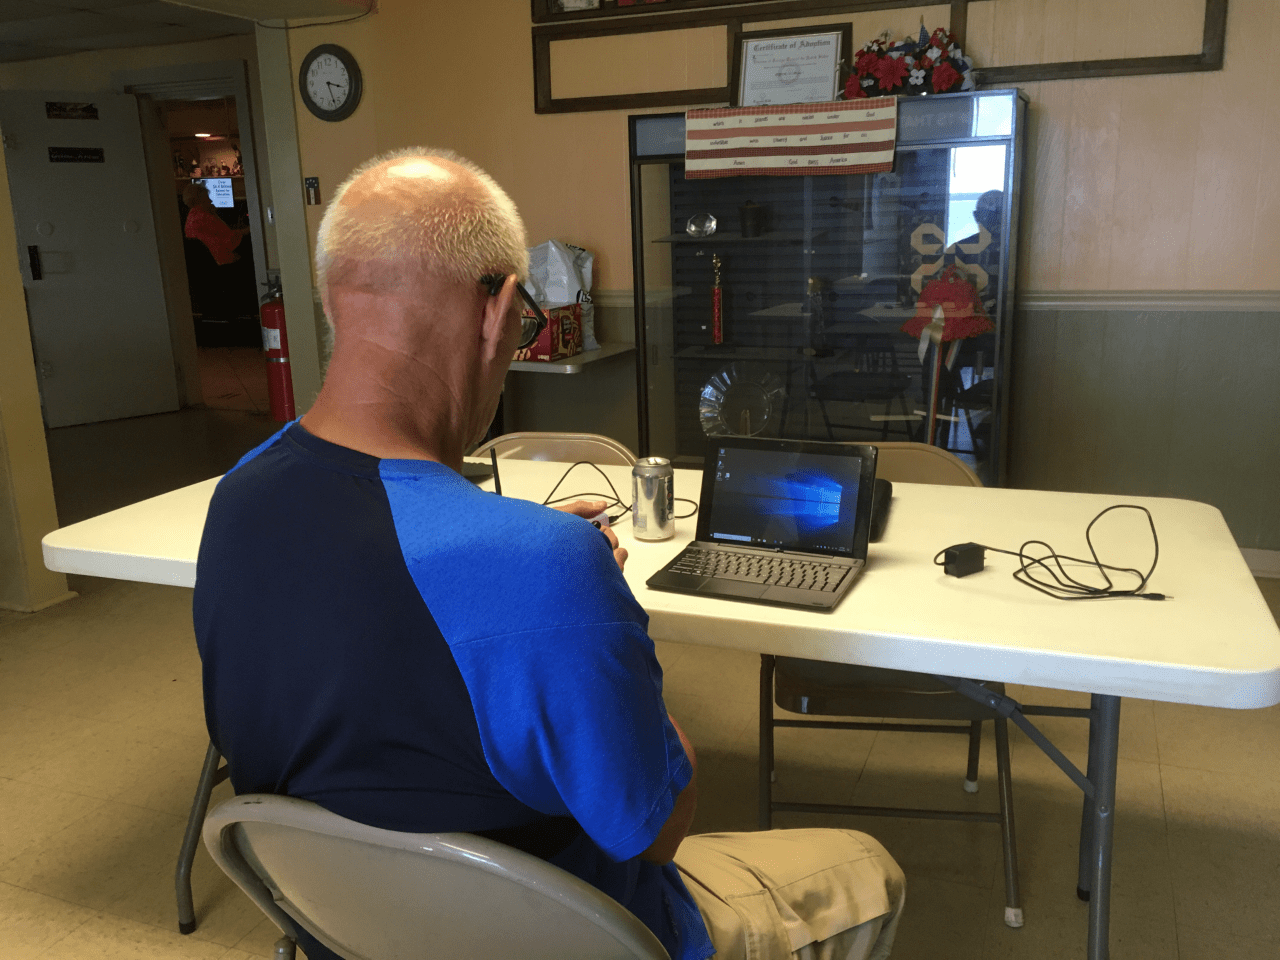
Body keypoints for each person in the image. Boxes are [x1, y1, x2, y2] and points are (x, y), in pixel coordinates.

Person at [193, 147, 905, 960]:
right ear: (498, 310)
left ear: (329, 297)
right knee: (869, 869)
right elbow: (655, 831)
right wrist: (567, 583)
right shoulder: (550, 568)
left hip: (342, 927)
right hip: (569, 933)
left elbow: (369, 591)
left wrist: (514, 539)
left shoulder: (240, 498)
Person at [182, 180, 248, 265]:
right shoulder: (205, 217)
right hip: (223, 261)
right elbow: (230, 240)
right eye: (207, 197)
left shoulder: (192, 216)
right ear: (200, 200)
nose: (211, 200)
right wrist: (248, 230)